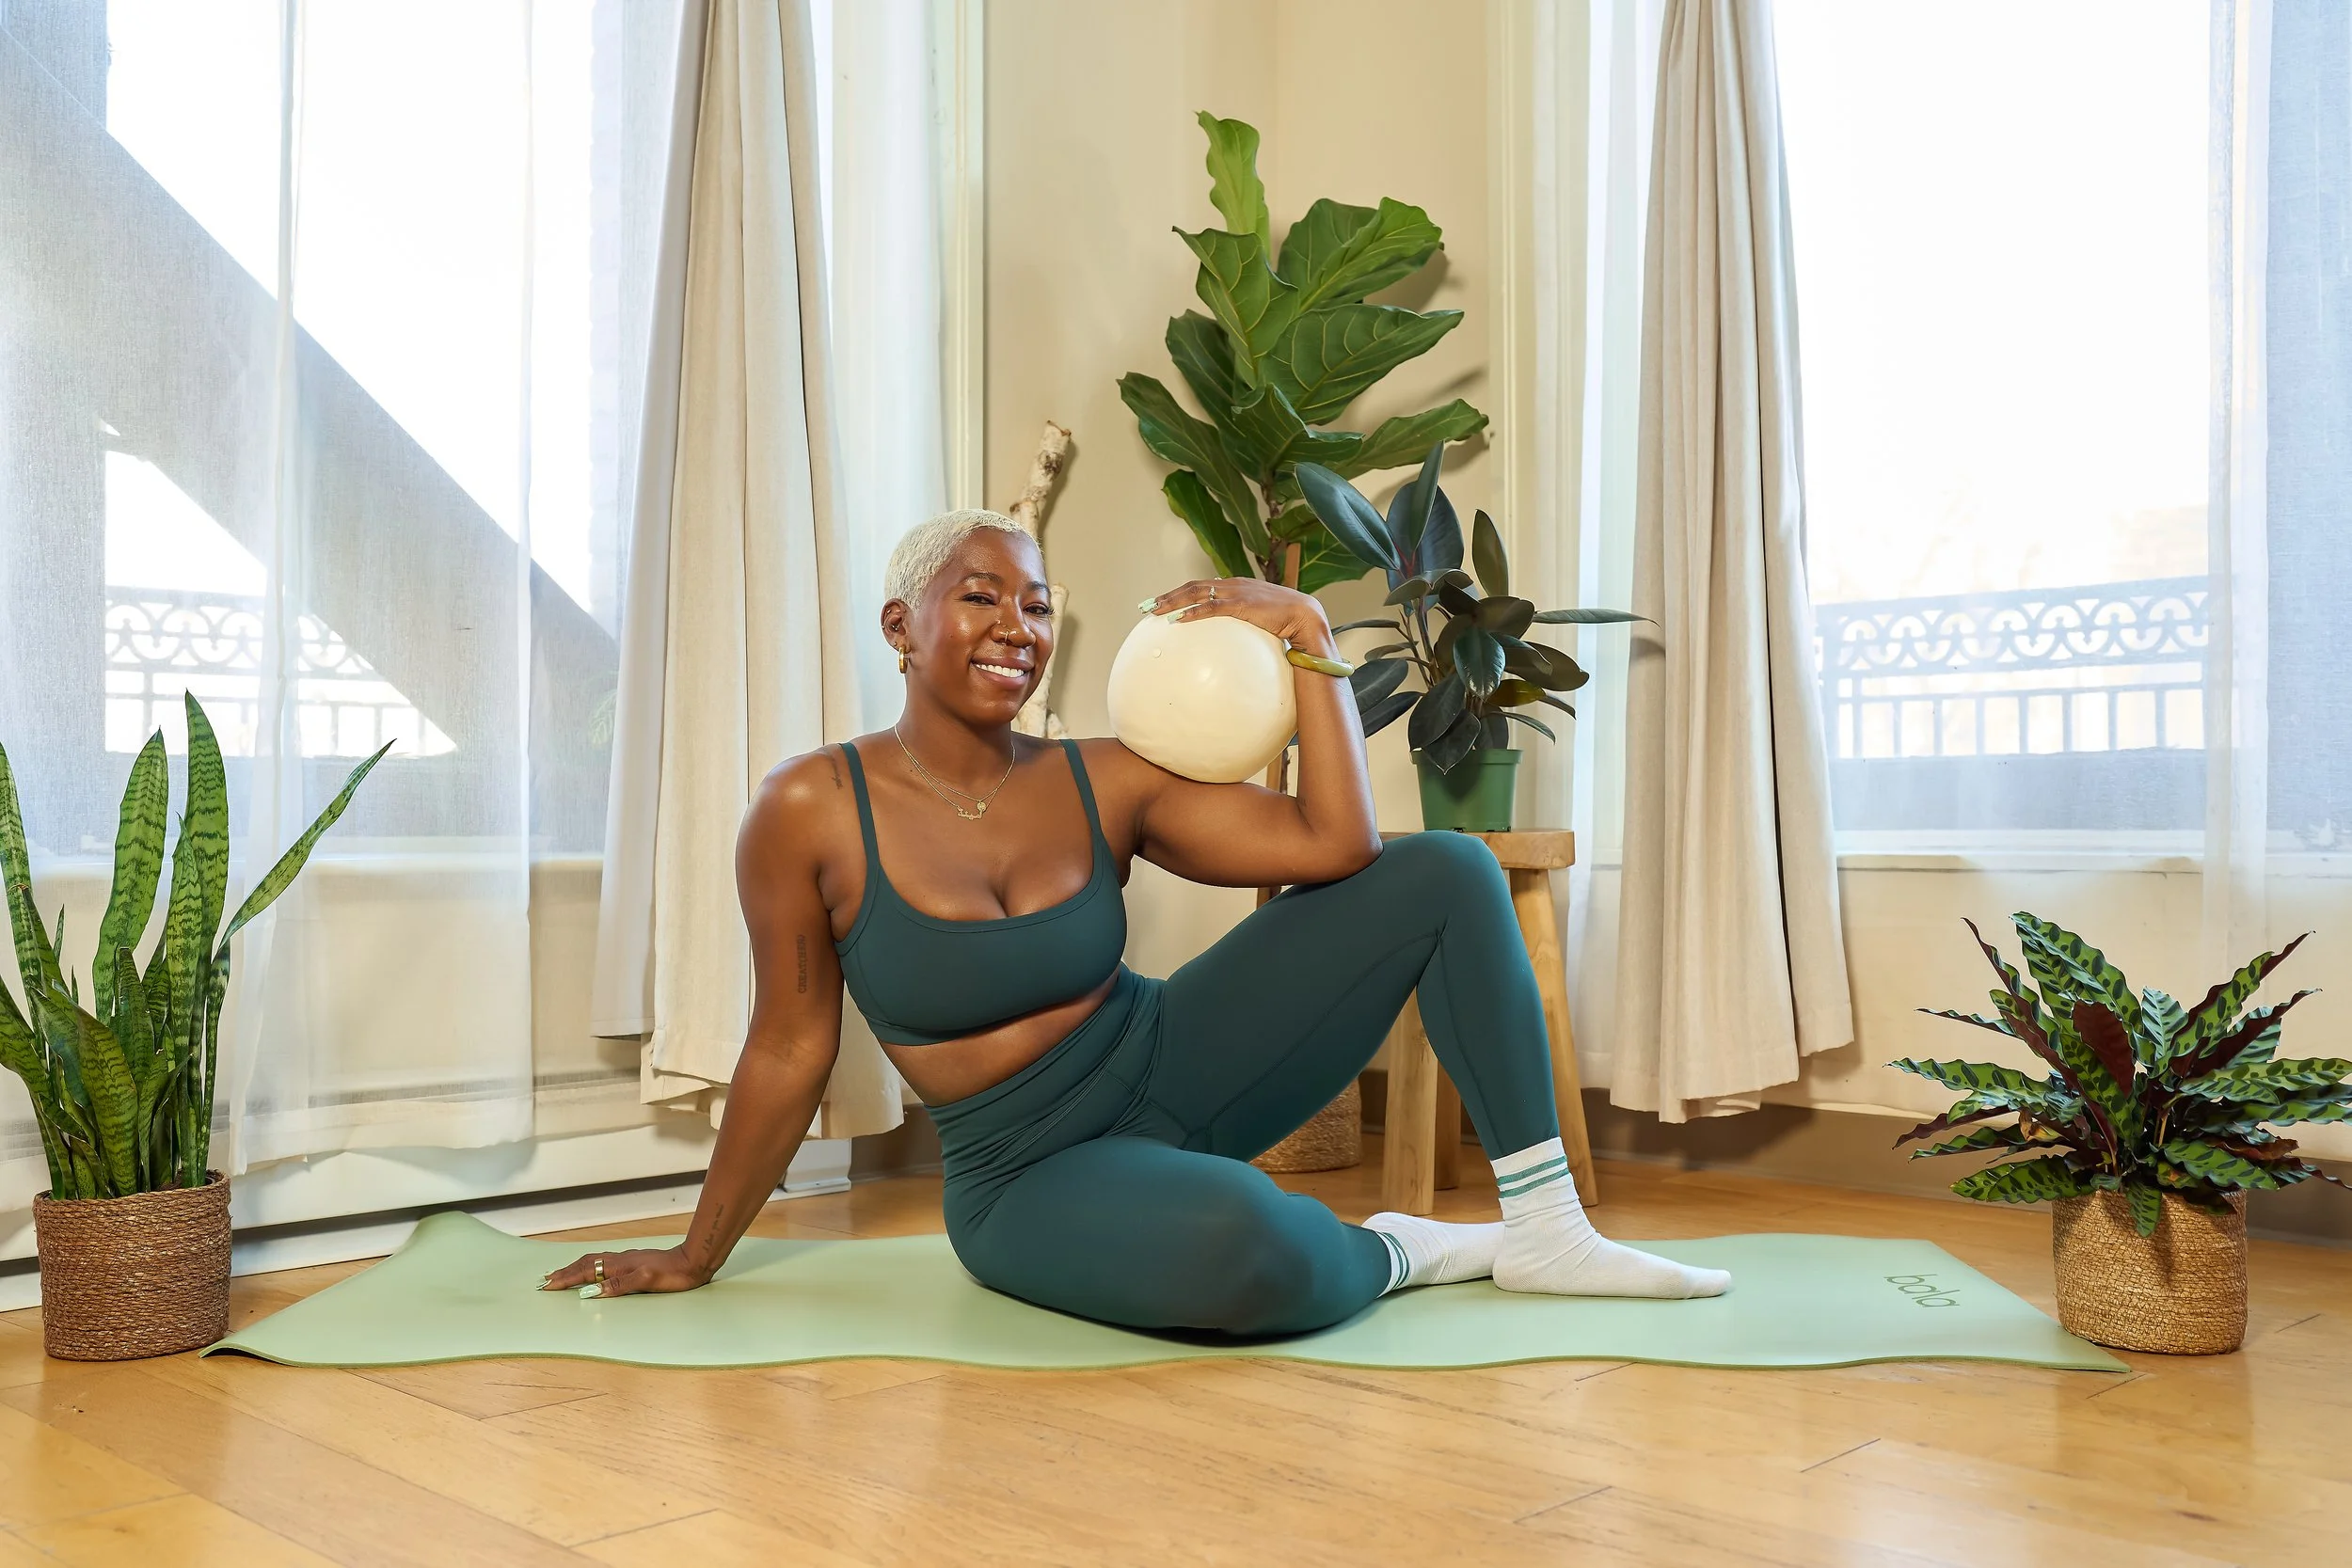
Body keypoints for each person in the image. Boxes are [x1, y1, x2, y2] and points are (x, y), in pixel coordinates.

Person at [544, 510, 1727, 1333]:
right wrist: (697, 1251)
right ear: (901, 626)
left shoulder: (1100, 777)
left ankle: (1550, 1228)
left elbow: (1337, 848)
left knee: (1448, 873)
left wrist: (1309, 633)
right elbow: (790, 1046)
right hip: (1025, 1171)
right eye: (980, 596)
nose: (1018, 623)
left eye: (1038, 603)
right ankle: (1412, 1248)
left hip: (1177, 1059)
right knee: (1242, 1249)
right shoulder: (808, 806)